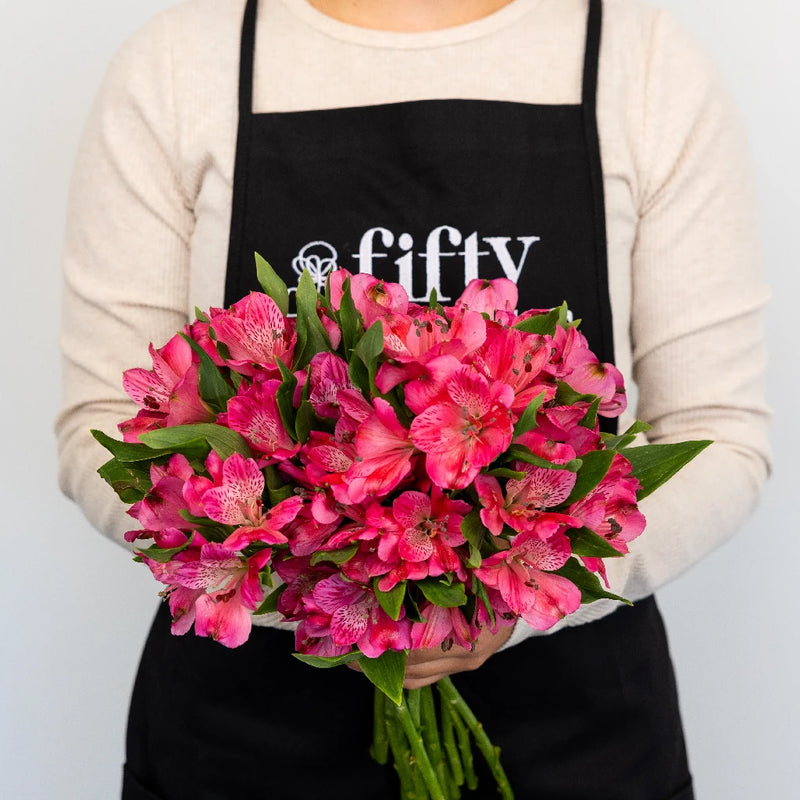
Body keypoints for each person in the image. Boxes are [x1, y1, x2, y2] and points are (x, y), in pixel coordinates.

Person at [56, 0, 771, 797]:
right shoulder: (181, 65)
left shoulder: (642, 63)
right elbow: (104, 430)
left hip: (578, 739)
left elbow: (719, 436)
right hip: (245, 745)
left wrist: (502, 592)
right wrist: (317, 583)